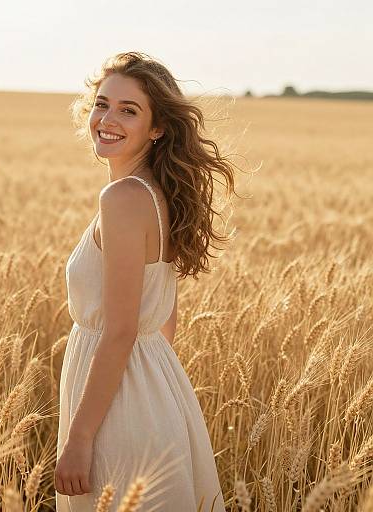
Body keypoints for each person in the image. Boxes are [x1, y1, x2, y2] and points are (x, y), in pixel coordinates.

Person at [55, 51, 238, 511]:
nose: (107, 118)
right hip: (149, 389)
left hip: (116, 411)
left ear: (157, 128)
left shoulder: (122, 198)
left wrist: (80, 438)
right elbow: (164, 322)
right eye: (102, 103)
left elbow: (120, 330)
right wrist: (148, 391)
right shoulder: (158, 194)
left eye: (128, 110)